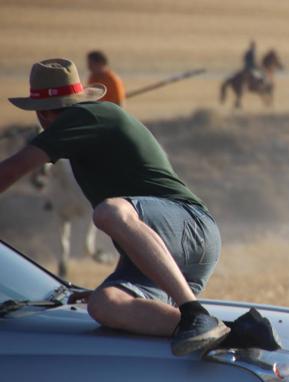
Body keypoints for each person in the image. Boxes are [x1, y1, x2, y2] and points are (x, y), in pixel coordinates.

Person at [4, 58, 230, 356]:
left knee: (109, 212)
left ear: (43, 114)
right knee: (104, 304)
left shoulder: (81, 117)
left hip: (189, 226)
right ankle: (231, 331)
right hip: (165, 252)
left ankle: (193, 312)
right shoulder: (87, 124)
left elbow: (13, 169)